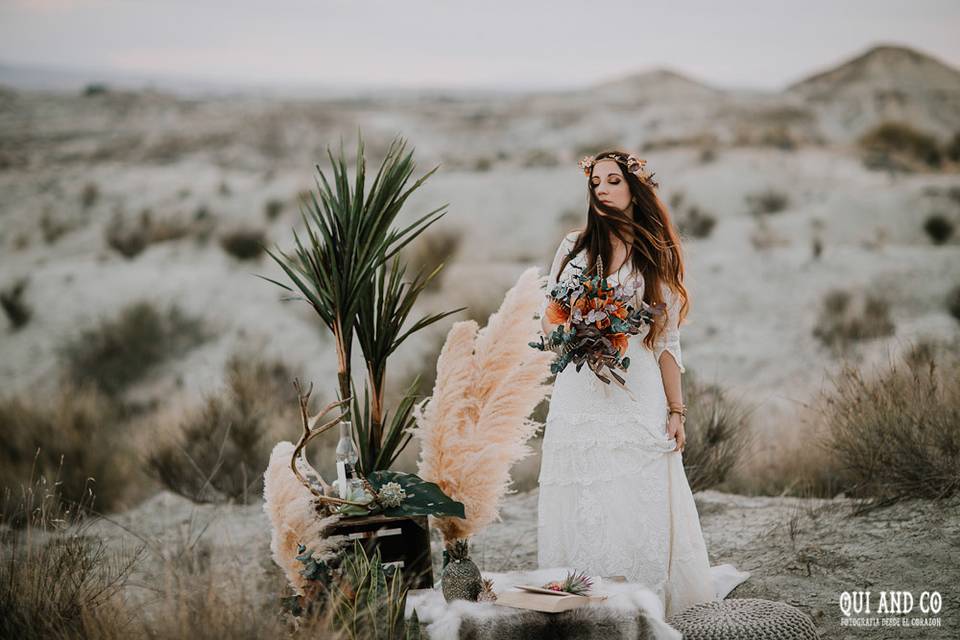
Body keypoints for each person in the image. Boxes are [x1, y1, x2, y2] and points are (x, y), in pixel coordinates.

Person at [536, 150, 749, 618]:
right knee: (584, 495)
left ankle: (643, 604)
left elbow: (666, 340)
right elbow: (549, 319)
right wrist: (575, 332)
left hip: (637, 391)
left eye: (613, 181)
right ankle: (585, 604)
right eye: (595, 183)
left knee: (636, 495)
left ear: (634, 187)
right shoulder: (573, 249)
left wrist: (677, 411)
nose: (603, 190)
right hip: (579, 391)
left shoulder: (656, 254)